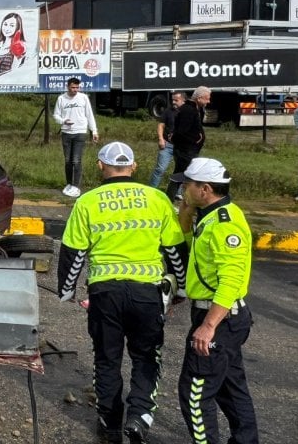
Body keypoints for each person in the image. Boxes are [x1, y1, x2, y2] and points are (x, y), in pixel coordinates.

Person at [58, 142, 188, 443]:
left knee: (107, 358)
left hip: (105, 292)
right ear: (134, 167)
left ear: (101, 166)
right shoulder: (157, 198)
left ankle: (110, 420)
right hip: (147, 293)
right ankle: (139, 417)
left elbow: (73, 252)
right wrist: (180, 288)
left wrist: (67, 291)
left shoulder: (88, 202)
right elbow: (174, 249)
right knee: (146, 357)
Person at [170, 158, 259, 444]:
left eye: (188, 185)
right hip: (222, 317)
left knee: (195, 395)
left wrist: (208, 326)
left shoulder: (224, 225)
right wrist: (185, 213)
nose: (183, 188)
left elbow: (230, 282)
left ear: (205, 189)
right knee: (230, 389)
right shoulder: (210, 214)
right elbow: (190, 247)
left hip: (219, 319)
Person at [52, 77, 99, 197]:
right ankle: (69, 184)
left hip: (80, 132)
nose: (75, 90)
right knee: (68, 160)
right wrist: (63, 121)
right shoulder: (61, 98)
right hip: (66, 133)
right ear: (68, 87)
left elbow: (89, 114)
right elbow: (56, 115)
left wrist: (94, 131)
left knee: (76, 160)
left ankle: (76, 186)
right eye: (73, 87)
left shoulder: (83, 98)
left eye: (77, 87)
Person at [167, 86, 210, 202]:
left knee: (180, 176)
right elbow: (181, 132)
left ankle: (173, 200)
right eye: (207, 99)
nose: (208, 101)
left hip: (189, 150)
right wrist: (196, 138)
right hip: (185, 151)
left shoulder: (196, 109)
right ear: (199, 98)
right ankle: (189, 201)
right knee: (189, 176)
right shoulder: (188, 110)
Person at [149, 92, 185, 188]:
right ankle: (152, 189)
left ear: (183, 100)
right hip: (167, 145)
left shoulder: (188, 112)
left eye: (176, 100)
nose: (173, 102)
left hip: (181, 147)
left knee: (181, 170)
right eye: (172, 100)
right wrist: (161, 139)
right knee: (160, 169)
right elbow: (161, 125)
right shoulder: (168, 111)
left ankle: (178, 192)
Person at [0, 12, 27, 76]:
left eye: (12, 25)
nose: (7, 28)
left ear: (17, 28)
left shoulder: (19, 46)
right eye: (5, 24)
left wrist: (19, 55)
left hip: (6, 82)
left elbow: (15, 71)